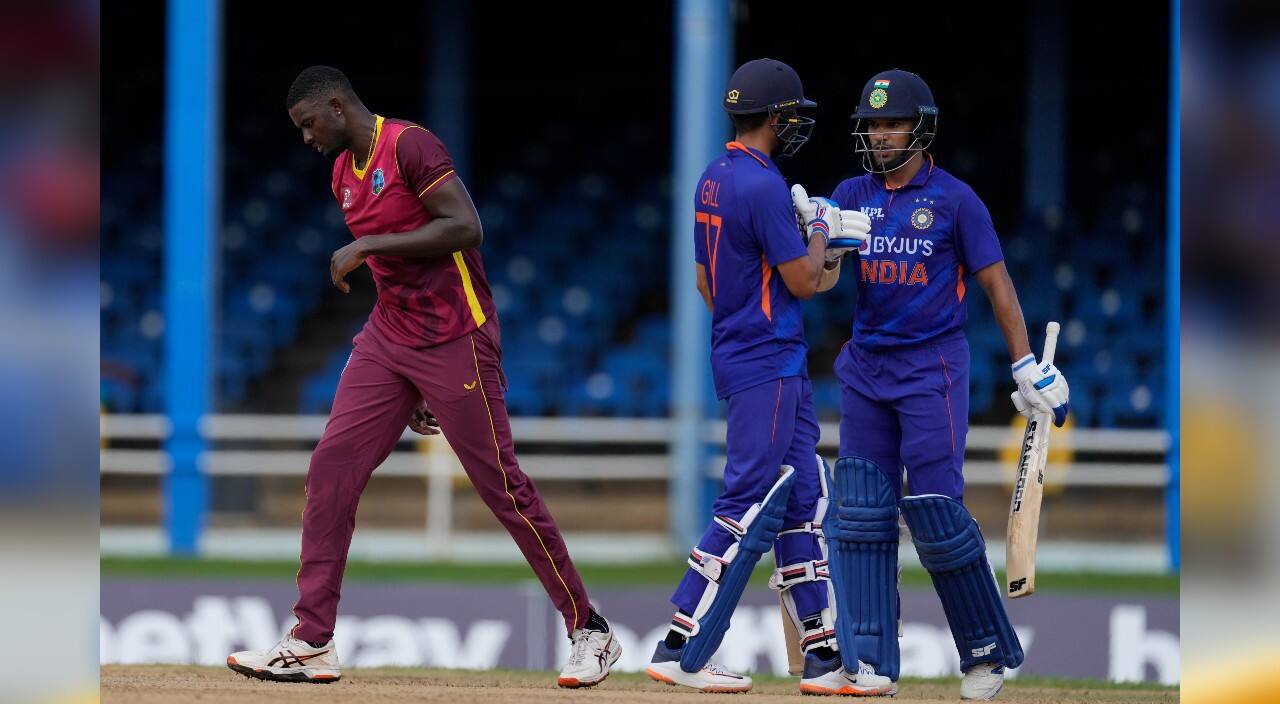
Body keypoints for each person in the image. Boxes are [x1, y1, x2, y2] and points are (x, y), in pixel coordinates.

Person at [226, 66, 619, 688]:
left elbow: (466, 227)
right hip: (391, 337)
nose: (305, 138)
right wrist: (405, 386)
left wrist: (369, 245)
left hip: (457, 336)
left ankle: (589, 629)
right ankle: (311, 640)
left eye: (308, 124)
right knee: (331, 466)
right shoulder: (341, 173)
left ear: (336, 106)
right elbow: (399, 271)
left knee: (502, 486)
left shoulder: (410, 145)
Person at [795, 69, 1071, 700]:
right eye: (872, 124)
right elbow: (822, 283)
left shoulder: (955, 201)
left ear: (920, 130)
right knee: (860, 512)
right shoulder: (850, 193)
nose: (879, 135)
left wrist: (1024, 364)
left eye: (891, 124)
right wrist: (824, 242)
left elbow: (997, 283)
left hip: (932, 370)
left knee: (936, 513)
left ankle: (984, 653)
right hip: (867, 367)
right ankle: (868, 662)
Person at [643, 58, 886, 695]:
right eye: (792, 114)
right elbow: (803, 281)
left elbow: (706, 282)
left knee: (804, 499)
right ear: (775, 117)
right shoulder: (764, 185)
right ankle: (679, 647)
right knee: (747, 497)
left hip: (753, 354)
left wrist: (783, 269)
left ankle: (824, 655)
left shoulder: (712, 177)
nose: (797, 123)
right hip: (769, 360)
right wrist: (822, 234)